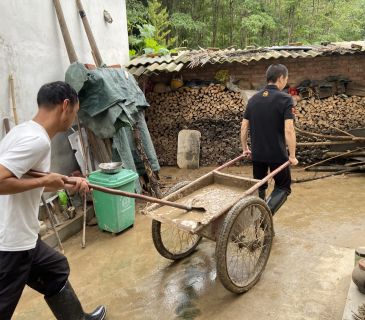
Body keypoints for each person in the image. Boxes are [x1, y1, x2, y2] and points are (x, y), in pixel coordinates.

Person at [0, 81, 106, 320]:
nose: (73, 119)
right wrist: (42, 181)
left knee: (55, 270)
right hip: (11, 243)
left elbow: (23, 177)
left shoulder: (23, 130)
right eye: (75, 113)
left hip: (23, 235)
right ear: (65, 106)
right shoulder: (36, 141)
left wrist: (67, 182)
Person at [241, 64, 298, 215]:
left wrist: (245, 147)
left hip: (257, 154)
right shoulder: (286, 99)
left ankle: (257, 216)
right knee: (283, 187)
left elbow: (244, 126)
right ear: (280, 78)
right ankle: (264, 217)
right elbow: (289, 130)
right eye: (286, 78)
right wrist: (292, 156)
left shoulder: (253, 99)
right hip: (277, 155)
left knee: (260, 186)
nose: (286, 81)